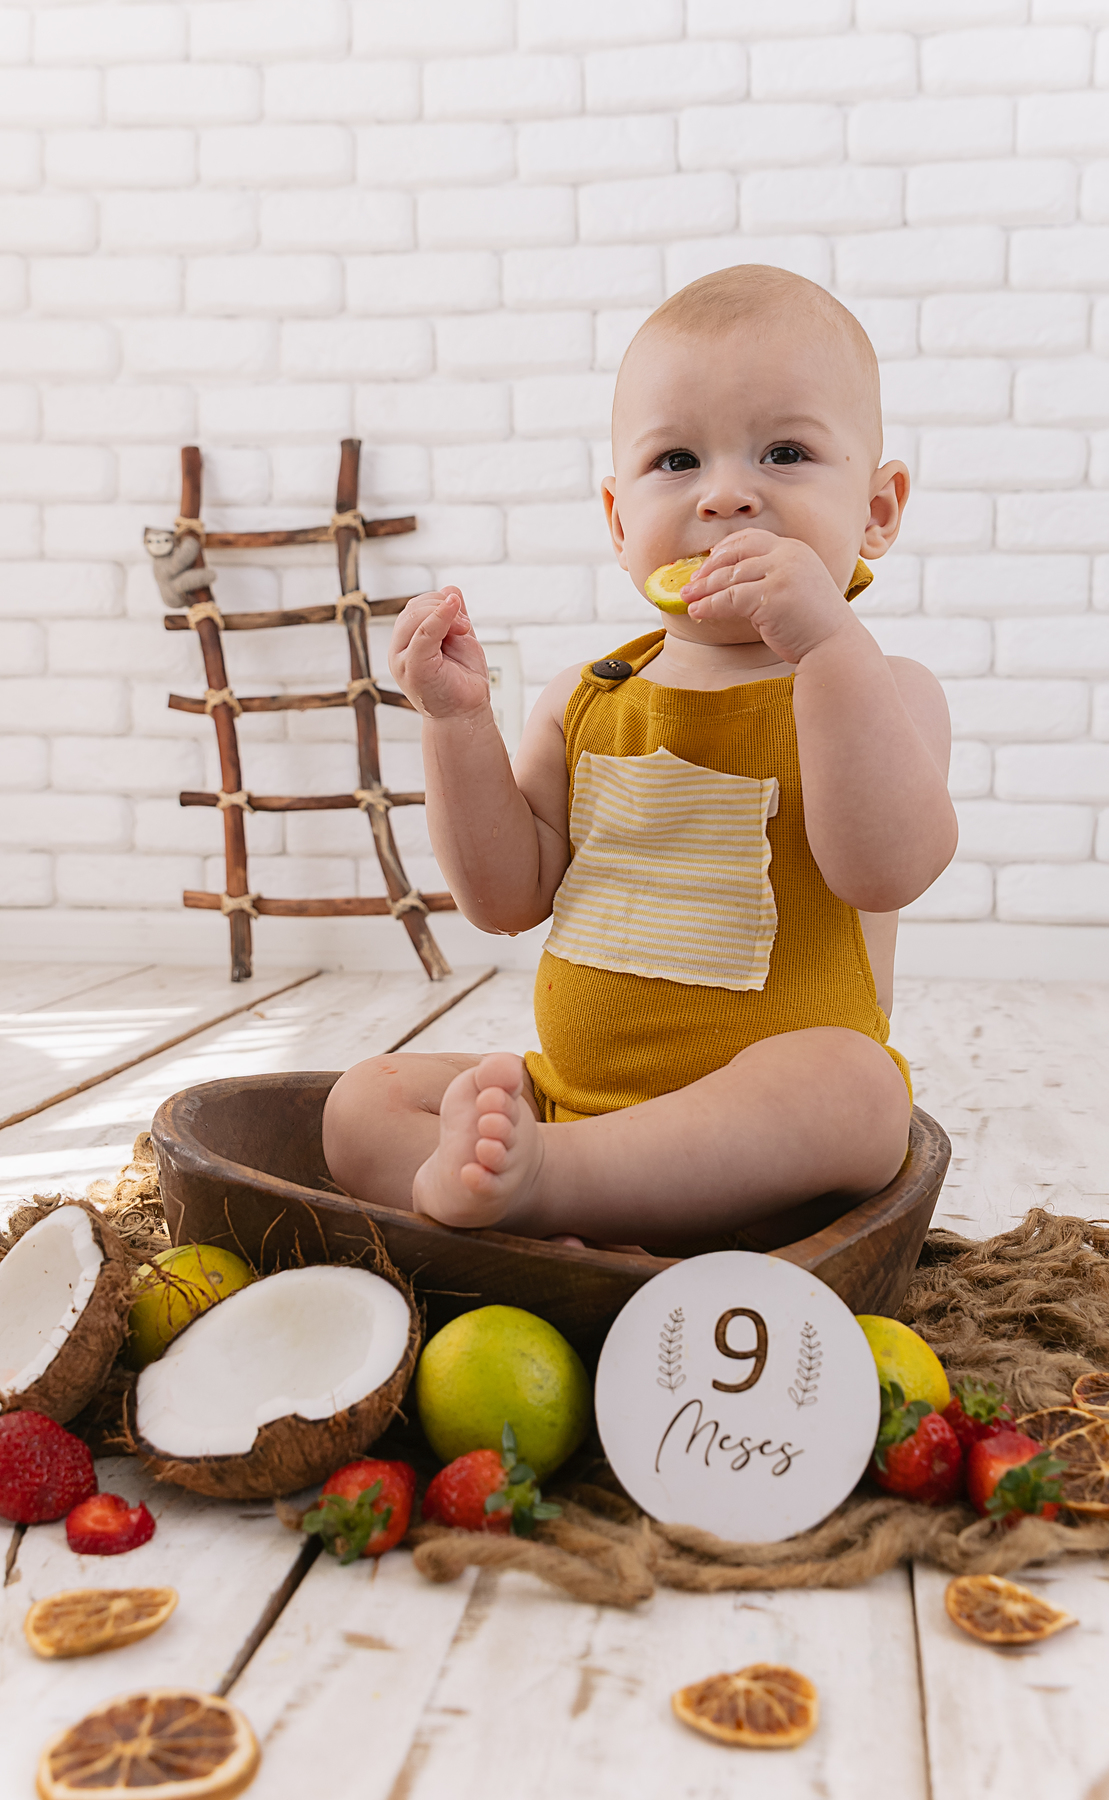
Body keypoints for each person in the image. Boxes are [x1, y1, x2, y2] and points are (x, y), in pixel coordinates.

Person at [322, 265, 957, 1251]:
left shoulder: (880, 686)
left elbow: (885, 868)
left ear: (877, 512)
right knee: (362, 1104)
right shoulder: (587, 700)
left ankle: (546, 1197)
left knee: (861, 1089)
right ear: (619, 522)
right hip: (578, 1102)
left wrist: (829, 646)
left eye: (784, 453)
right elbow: (504, 898)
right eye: (676, 462)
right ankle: (546, 1195)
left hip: (769, 1149)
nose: (728, 496)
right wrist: (454, 725)